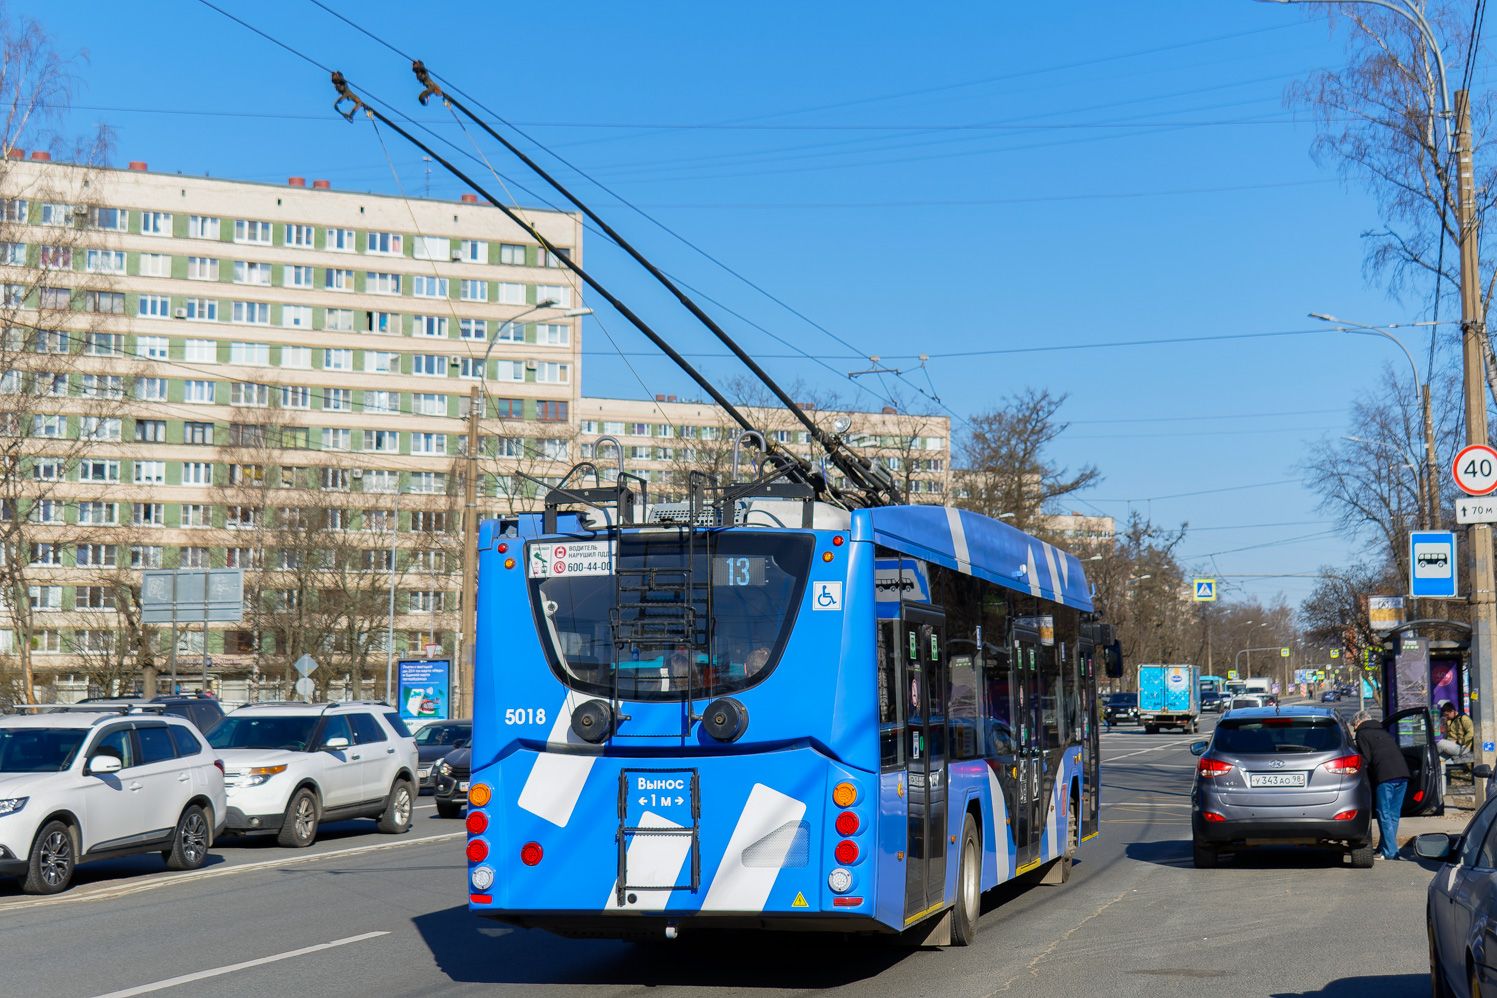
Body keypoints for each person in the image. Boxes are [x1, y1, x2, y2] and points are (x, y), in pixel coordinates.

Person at [1351, 710, 1411, 860]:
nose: (1354, 729)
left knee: (1383, 814)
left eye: (1354, 726)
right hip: (1403, 775)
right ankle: (1385, 848)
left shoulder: (1362, 734)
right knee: (1393, 815)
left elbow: (1366, 758)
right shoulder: (1383, 732)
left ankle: (1391, 852)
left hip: (1385, 777)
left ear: (1358, 723)